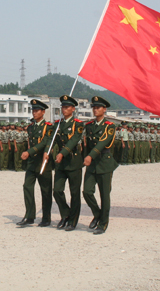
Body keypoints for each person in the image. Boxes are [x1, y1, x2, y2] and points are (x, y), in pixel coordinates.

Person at [46, 95, 84, 232]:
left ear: (73, 109)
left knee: (75, 193)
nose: (64, 109)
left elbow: (74, 140)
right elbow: (51, 140)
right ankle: (65, 214)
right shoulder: (57, 124)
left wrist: (62, 153)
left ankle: (73, 221)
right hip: (60, 164)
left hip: (73, 161)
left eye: (67, 107)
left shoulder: (78, 124)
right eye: (63, 106)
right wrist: (47, 151)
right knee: (57, 190)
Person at [82, 96, 118, 235]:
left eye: (98, 107)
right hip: (92, 165)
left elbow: (103, 142)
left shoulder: (109, 126)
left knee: (104, 195)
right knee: (86, 192)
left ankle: (103, 223)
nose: (95, 110)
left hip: (104, 162)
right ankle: (97, 214)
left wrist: (90, 156)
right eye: (94, 107)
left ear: (104, 109)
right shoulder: (89, 126)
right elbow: (87, 144)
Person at [17, 99, 53, 227]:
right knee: (27, 186)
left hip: (43, 162)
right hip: (32, 163)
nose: (34, 112)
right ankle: (29, 216)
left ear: (43, 112)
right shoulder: (30, 127)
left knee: (46, 191)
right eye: (33, 110)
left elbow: (45, 142)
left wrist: (29, 151)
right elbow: (30, 142)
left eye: (37, 110)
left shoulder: (48, 127)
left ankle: (46, 218)